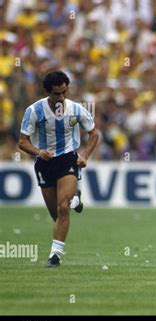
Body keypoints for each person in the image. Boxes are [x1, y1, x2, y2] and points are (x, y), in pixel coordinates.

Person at [18, 70, 99, 267]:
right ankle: (75, 198)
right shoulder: (34, 111)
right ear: (47, 92)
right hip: (45, 163)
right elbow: (22, 142)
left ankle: (55, 256)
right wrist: (39, 151)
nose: (61, 97)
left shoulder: (76, 109)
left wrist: (85, 156)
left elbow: (94, 134)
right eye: (56, 94)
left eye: (64, 92)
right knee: (57, 214)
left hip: (67, 159)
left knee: (63, 208)